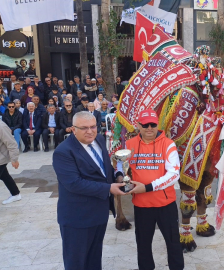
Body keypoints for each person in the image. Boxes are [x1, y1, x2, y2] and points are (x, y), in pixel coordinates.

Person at [53, 111, 126, 270]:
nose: (90, 131)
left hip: (99, 214)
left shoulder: (99, 139)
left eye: (93, 126)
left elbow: (104, 168)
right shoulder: (63, 152)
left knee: (94, 259)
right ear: (73, 129)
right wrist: (109, 188)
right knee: (77, 262)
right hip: (77, 218)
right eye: (84, 128)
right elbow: (74, 184)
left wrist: (118, 176)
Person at [125, 109, 184, 270]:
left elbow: (173, 174)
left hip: (165, 204)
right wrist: (121, 179)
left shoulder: (168, 144)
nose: (149, 128)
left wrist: (148, 187)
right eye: (145, 125)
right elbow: (122, 168)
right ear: (138, 125)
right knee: (143, 245)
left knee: (173, 243)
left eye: (153, 124)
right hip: (141, 206)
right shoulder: (129, 145)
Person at [0, 120, 22, 205]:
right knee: (4, 176)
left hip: (1, 158)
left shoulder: (1, 126)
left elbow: (11, 143)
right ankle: (15, 194)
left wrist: (14, 159)